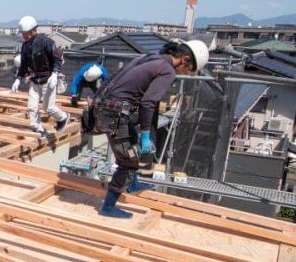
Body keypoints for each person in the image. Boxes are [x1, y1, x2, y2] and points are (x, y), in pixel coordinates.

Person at [81, 39, 209, 218]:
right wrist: (146, 135)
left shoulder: (151, 57)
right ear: (185, 60)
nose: (184, 73)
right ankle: (108, 207)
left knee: (132, 141)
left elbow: (114, 78)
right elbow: (149, 102)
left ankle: (132, 184)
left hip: (107, 107)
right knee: (128, 161)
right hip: (115, 115)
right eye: (187, 69)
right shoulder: (167, 70)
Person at [10, 16, 69, 135]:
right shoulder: (25, 46)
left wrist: (55, 74)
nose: (23, 35)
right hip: (35, 80)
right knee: (32, 106)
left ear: (32, 31)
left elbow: (57, 59)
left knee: (48, 108)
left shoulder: (45, 42)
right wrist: (18, 79)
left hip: (48, 79)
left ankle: (62, 117)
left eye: (24, 33)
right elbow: (24, 65)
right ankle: (37, 128)